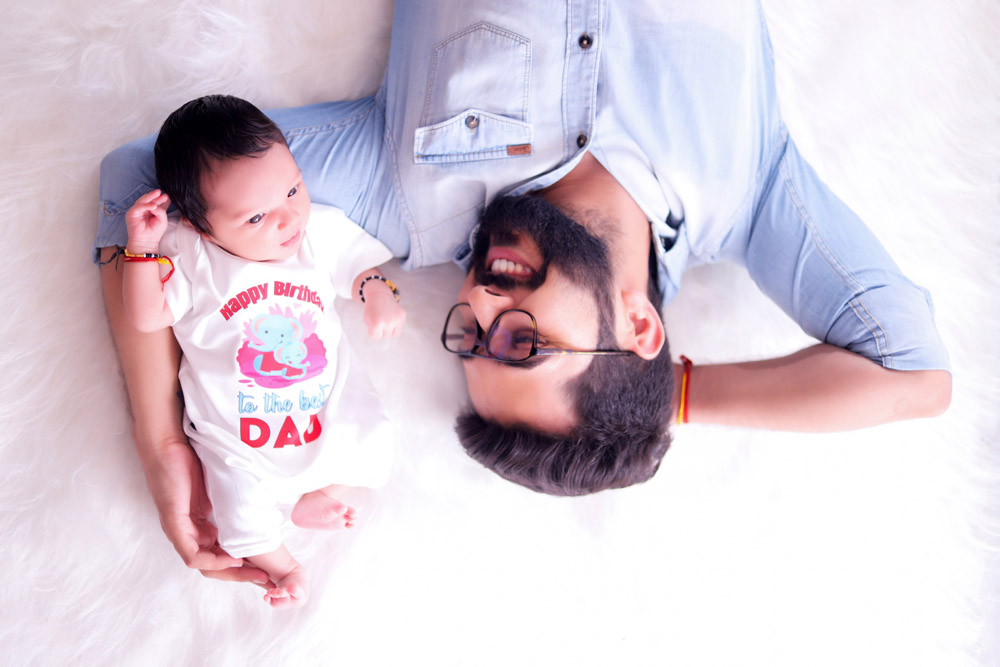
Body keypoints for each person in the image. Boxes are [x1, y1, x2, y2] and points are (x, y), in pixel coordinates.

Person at [95, 0, 951, 584]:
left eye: (469, 338)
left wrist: (162, 439)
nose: (478, 307)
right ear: (640, 325)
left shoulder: (405, 196)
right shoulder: (748, 193)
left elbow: (149, 184)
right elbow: (916, 375)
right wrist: (666, 396)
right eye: (524, 343)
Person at [119, 95, 405, 607]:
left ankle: (318, 498)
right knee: (236, 512)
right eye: (256, 218)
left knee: (377, 441)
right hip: (239, 441)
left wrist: (377, 292)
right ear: (201, 224)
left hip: (324, 411)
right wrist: (141, 249)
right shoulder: (191, 254)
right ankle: (284, 565)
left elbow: (358, 265)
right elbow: (147, 315)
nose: (287, 219)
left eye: (293, 189)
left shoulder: (315, 232)